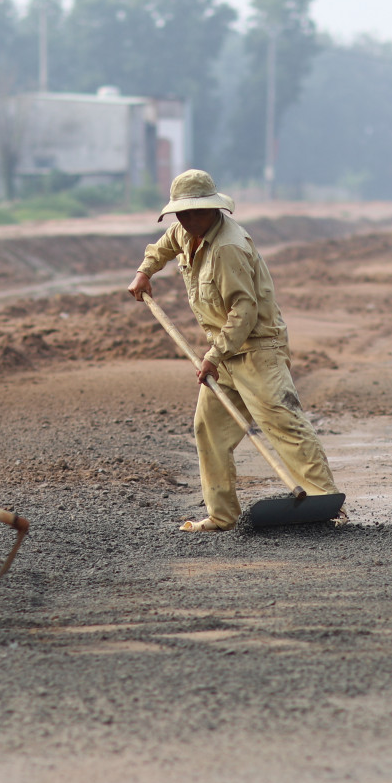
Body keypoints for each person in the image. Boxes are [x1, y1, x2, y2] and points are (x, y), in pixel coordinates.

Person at [127, 170, 340, 532]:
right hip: (222, 352)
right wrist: (145, 271)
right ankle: (222, 515)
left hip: (257, 349)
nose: (188, 219)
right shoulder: (186, 231)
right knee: (208, 428)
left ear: (213, 209)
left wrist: (213, 356)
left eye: (196, 212)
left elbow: (245, 311)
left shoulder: (228, 247)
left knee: (284, 424)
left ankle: (325, 503)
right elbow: (165, 245)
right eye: (182, 213)